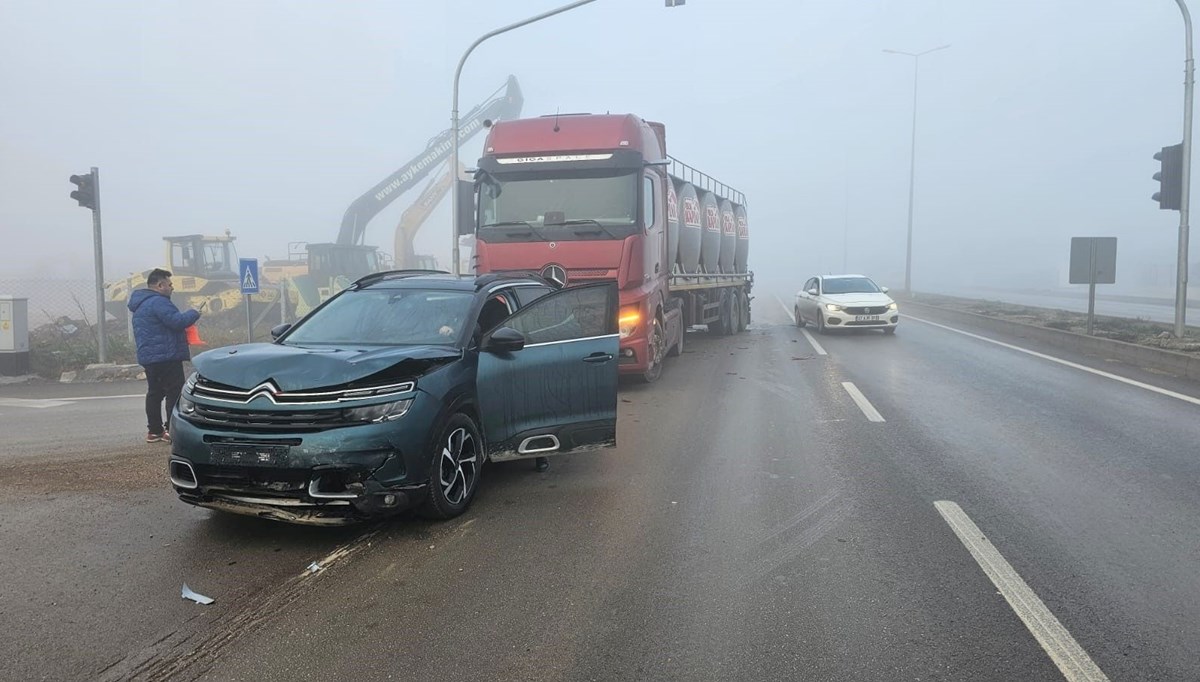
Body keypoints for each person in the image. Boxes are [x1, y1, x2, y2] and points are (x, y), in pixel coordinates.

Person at [128, 268, 201, 443]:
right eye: (170, 284)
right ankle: (172, 430)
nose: (172, 287)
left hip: (149, 357)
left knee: (154, 392)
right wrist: (194, 313)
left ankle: (154, 431)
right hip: (166, 356)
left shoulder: (141, 304)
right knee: (174, 392)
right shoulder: (159, 302)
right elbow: (177, 322)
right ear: (160, 285)